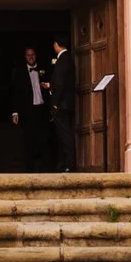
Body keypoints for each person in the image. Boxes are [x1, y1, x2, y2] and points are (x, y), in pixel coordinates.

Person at [17, 44, 54, 172]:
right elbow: (15, 93)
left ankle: (45, 170)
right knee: (29, 141)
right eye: (28, 55)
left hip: (42, 109)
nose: (31, 57)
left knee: (44, 140)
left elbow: (54, 85)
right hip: (28, 111)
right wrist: (15, 112)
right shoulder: (19, 72)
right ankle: (29, 170)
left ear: (36, 56)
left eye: (32, 55)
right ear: (25, 57)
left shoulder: (44, 70)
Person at [47, 37, 78, 171]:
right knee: (62, 135)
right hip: (66, 103)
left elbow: (60, 83)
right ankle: (63, 164)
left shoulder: (62, 60)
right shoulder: (68, 59)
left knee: (64, 135)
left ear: (56, 44)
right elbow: (62, 82)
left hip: (61, 105)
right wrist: (50, 85)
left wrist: (55, 103)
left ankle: (69, 165)